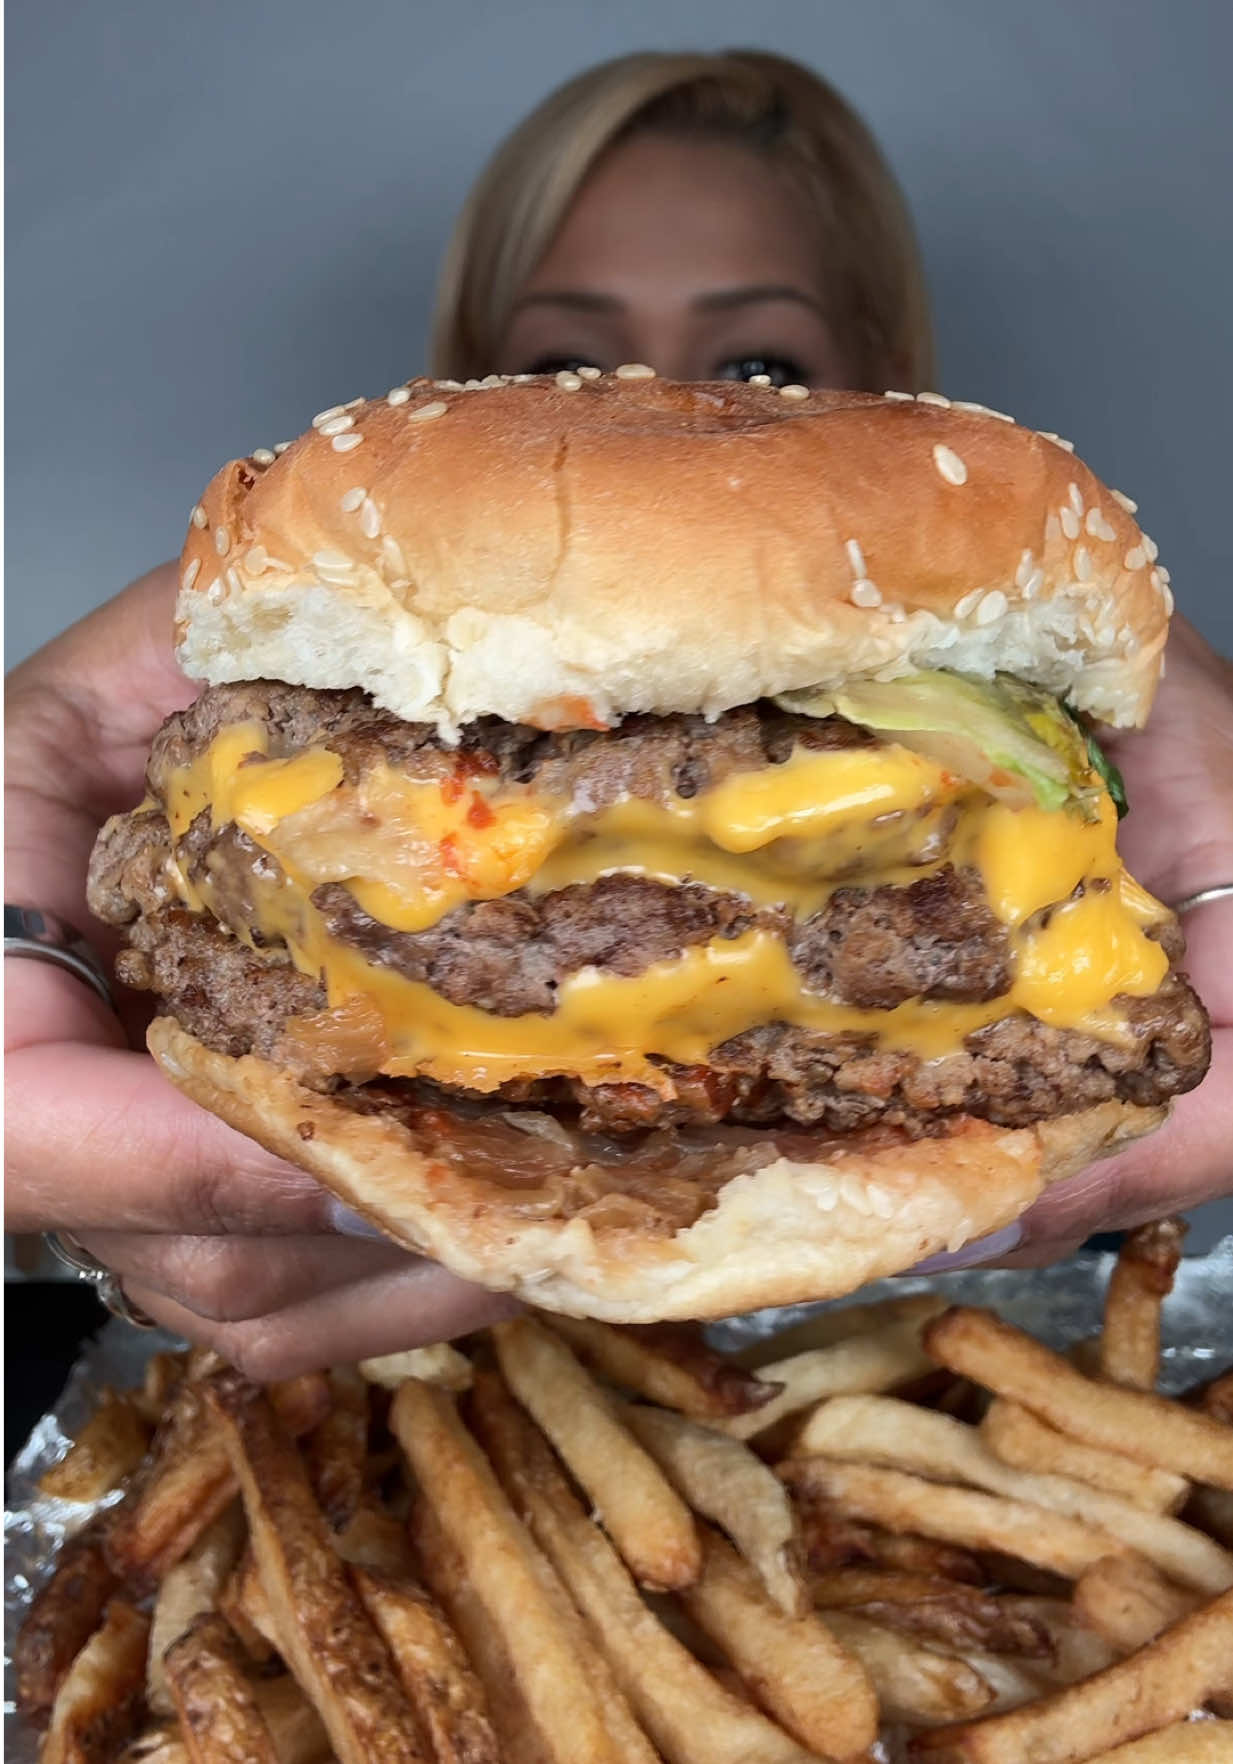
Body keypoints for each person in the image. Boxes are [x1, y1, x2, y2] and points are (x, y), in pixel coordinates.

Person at [6, 51, 1232, 1380]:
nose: (655, 388)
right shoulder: (324, 541)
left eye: (759, 354)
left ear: (882, 372)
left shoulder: (1091, 631)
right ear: (473, 369)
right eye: (565, 353)